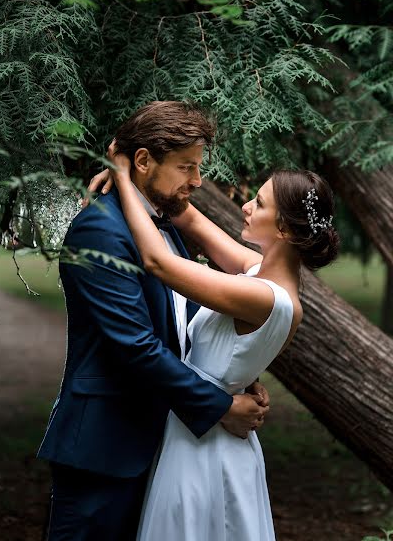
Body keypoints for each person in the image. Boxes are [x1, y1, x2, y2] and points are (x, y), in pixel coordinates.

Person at [37, 101, 270, 541]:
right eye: (186, 167)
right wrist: (221, 408)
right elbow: (135, 346)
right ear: (144, 161)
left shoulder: (159, 226)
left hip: (156, 442)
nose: (197, 181)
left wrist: (230, 379)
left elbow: (180, 324)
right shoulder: (100, 230)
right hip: (104, 447)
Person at [93, 140, 339, 541]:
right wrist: (143, 179)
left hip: (204, 447)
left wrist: (121, 174)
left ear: (283, 229)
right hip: (210, 427)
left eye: (258, 203)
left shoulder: (262, 297)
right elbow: (189, 220)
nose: (245, 206)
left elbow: (158, 262)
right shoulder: (260, 274)